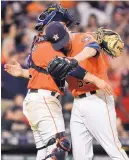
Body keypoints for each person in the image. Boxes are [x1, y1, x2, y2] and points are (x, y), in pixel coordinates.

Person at [4, 4, 113, 160]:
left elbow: (41, 73)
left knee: (45, 154)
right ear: (51, 26)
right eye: (62, 24)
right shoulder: (47, 45)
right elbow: (69, 68)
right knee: (59, 149)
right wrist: (97, 80)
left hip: (37, 100)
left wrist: (22, 72)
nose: (66, 29)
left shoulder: (42, 44)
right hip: (44, 101)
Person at [46, 21, 128, 159]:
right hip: (78, 103)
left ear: (66, 29)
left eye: (64, 40)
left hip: (97, 99)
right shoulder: (58, 52)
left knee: (113, 149)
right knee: (80, 155)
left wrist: (74, 60)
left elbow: (93, 48)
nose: (63, 44)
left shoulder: (84, 37)